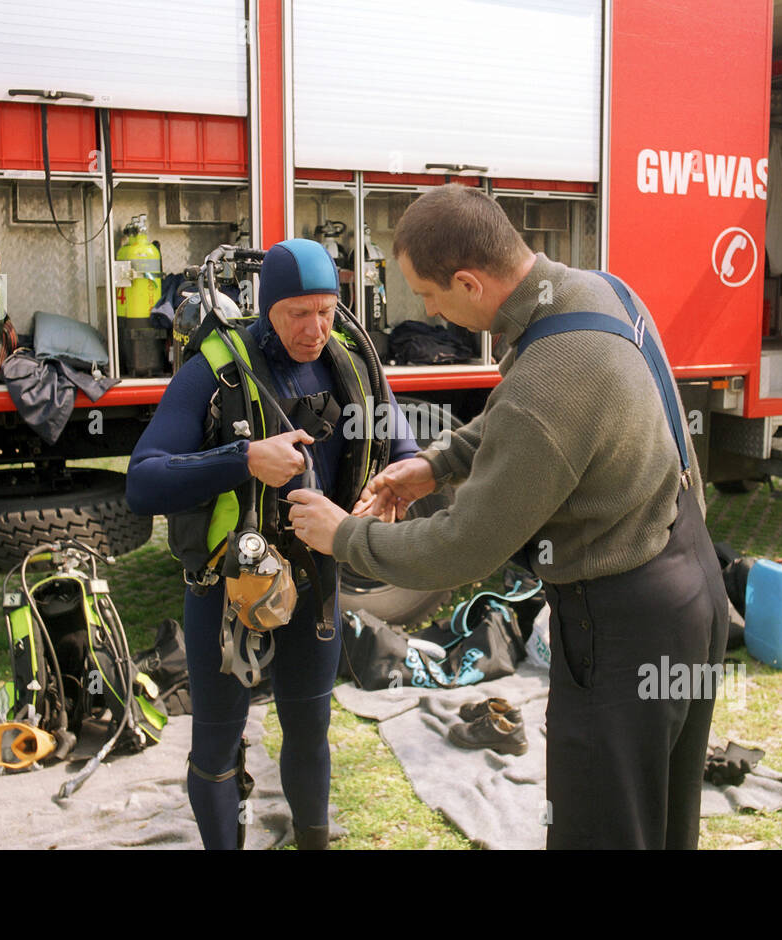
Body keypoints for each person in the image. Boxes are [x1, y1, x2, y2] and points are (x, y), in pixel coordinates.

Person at [287, 185, 730, 849]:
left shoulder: (550, 375)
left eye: (431, 297)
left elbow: (462, 548)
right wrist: (438, 464)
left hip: (622, 627)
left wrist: (345, 536)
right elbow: (528, 418)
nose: (431, 311)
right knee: (663, 827)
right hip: (693, 589)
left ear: (469, 281)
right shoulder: (595, 291)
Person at [127, 238, 418, 850]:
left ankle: (314, 840)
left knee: (310, 728)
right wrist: (243, 458)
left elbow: (404, 453)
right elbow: (143, 481)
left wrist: (391, 487)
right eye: (298, 314)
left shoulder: (353, 365)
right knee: (216, 743)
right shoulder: (213, 369)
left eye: (326, 310)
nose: (316, 329)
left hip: (316, 586)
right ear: (268, 308)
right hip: (227, 590)